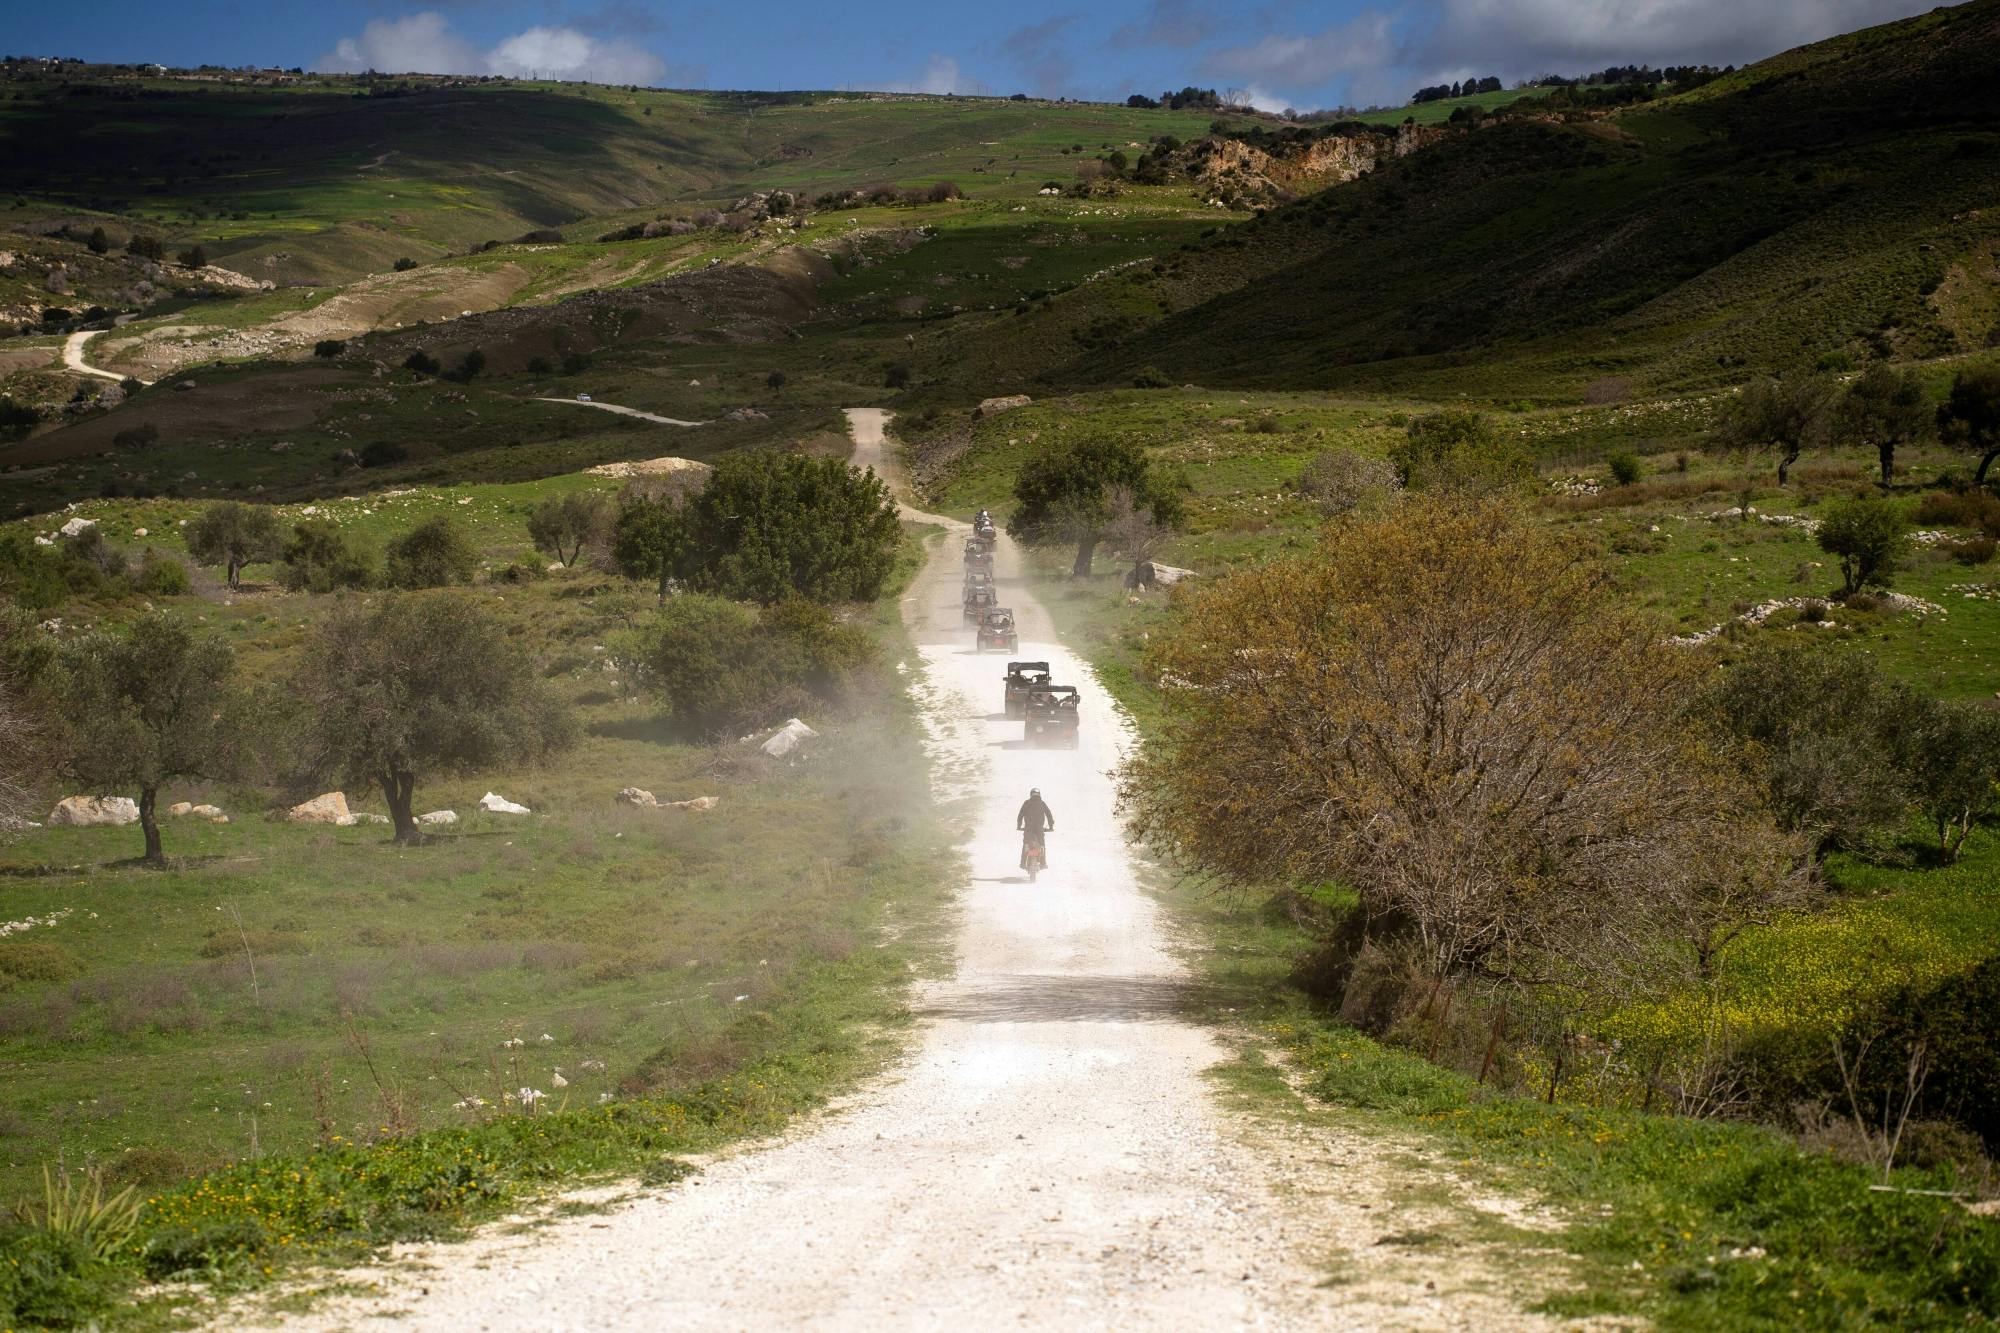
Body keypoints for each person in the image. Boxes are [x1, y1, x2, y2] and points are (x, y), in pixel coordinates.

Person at [1017, 787, 1053, 880]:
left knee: (1025, 844)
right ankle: (1043, 863)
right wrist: (1051, 826)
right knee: (1041, 845)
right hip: (1039, 829)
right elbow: (1049, 815)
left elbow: (1020, 815)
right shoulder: (1042, 803)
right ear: (1039, 794)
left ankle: (1022, 862)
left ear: (1031, 794)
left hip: (1028, 829)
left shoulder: (1026, 803)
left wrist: (1019, 825)